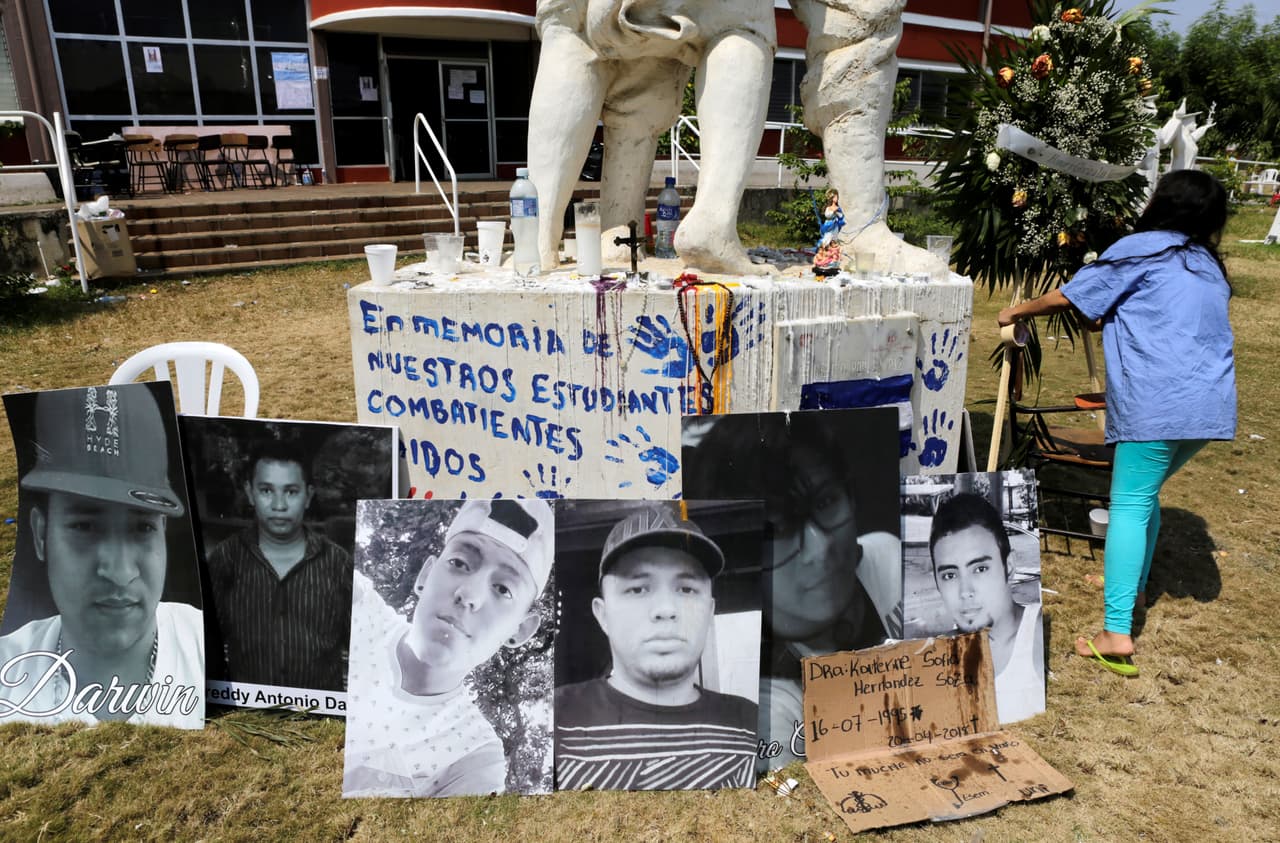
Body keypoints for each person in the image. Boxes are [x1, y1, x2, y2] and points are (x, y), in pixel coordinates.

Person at [997, 170, 1236, 675]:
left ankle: (1116, 633)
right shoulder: (1205, 264)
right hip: (1208, 405)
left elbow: (1069, 296)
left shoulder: (1143, 248)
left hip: (1160, 401)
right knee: (1144, 496)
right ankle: (1137, 586)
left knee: (1127, 503)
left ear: (1162, 203)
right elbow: (1152, 310)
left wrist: (1015, 310)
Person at [681, 411, 900, 767]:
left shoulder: (886, 558)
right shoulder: (764, 707)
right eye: (778, 529)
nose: (821, 548)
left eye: (826, 502)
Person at [0, 385, 203, 728]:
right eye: (84, 526)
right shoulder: (8, 667)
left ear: (164, 531)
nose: (120, 572)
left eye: (142, 528)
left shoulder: (207, 648)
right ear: (39, 535)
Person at [343, 498, 553, 797]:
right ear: (426, 575)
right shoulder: (358, 608)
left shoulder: (472, 759)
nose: (468, 594)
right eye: (459, 563)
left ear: (520, 630)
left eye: (503, 589)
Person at [555, 502, 757, 791]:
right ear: (603, 615)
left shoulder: (752, 725)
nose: (665, 609)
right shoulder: (554, 721)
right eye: (637, 589)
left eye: (686, 589)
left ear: (709, 612)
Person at [204, 440, 352, 690]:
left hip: (321, 719)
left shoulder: (338, 563)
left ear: (308, 496)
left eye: (291, 491)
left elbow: (363, 648)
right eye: (266, 490)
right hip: (247, 715)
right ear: (250, 492)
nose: (279, 505)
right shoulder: (225, 559)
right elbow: (207, 644)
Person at [928, 493, 1044, 723]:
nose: (965, 591)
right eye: (950, 575)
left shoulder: (1037, 635)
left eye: (980, 569)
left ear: (1008, 567)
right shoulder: (932, 656)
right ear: (937, 582)